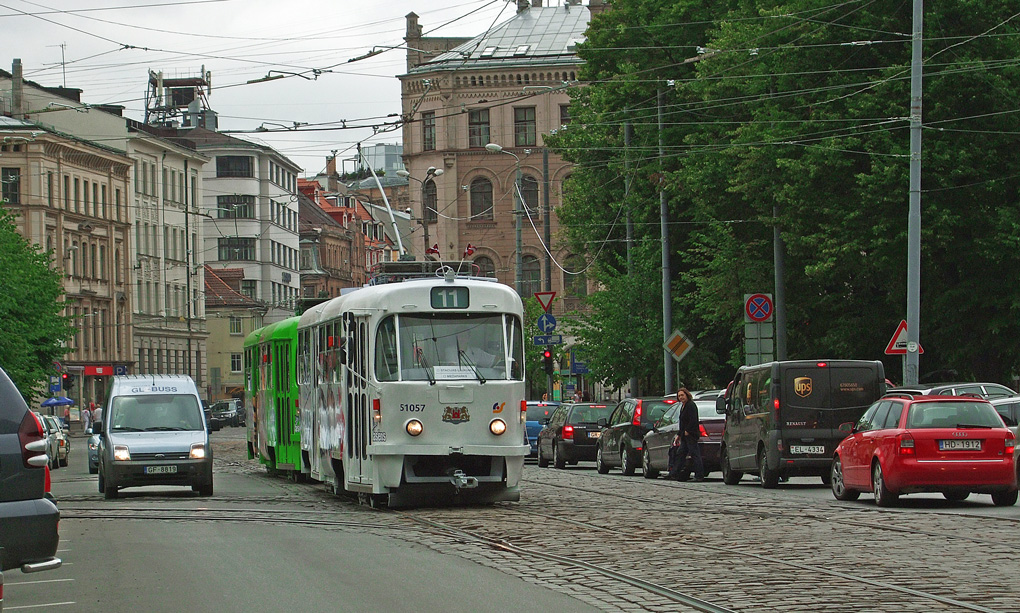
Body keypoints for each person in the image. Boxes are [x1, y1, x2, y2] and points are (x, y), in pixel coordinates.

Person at [667, 387, 705, 482]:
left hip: (691, 435)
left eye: (682, 395)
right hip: (684, 435)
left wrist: (688, 431)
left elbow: (693, 420)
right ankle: (674, 473)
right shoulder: (683, 406)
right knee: (680, 453)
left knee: (695, 454)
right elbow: (682, 422)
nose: (681, 397)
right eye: (679, 396)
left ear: (687, 395)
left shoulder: (691, 405)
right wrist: (679, 435)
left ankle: (699, 475)